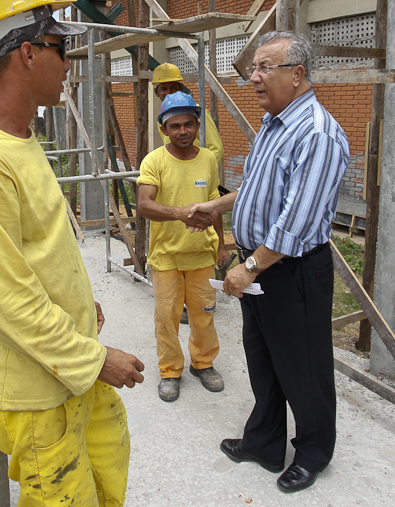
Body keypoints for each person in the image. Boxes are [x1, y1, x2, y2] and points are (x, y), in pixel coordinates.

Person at [0, 0, 145, 506]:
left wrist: (78, 301)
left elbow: (39, 251)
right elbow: (3, 300)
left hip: (65, 371)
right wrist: (96, 359)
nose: (68, 63)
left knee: (108, 476)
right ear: (28, 53)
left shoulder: (20, 141)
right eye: (61, 48)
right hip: (36, 394)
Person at [188, 31, 350, 492]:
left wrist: (250, 267)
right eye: (254, 68)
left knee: (303, 365)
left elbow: (296, 221)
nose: (253, 78)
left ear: (297, 74)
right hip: (262, 267)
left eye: (264, 68)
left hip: (291, 271)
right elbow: (260, 188)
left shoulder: (316, 133)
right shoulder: (274, 123)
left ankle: (313, 452)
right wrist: (217, 206)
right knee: (264, 359)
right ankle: (264, 442)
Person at [137, 92, 229, 402]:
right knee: (167, 317)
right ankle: (170, 370)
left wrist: (221, 246)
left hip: (201, 255)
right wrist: (179, 213)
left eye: (189, 124)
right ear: (164, 129)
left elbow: (215, 204)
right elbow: (144, 204)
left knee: (204, 315)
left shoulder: (207, 159)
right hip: (166, 257)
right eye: (175, 126)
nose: (183, 131)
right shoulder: (154, 161)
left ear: (197, 126)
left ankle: (203, 363)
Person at [152, 62, 224, 167]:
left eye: (173, 87)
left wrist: (199, 171)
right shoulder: (162, 118)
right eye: (163, 89)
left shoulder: (195, 113)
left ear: (181, 88)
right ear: (156, 92)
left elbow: (216, 149)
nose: (169, 93)